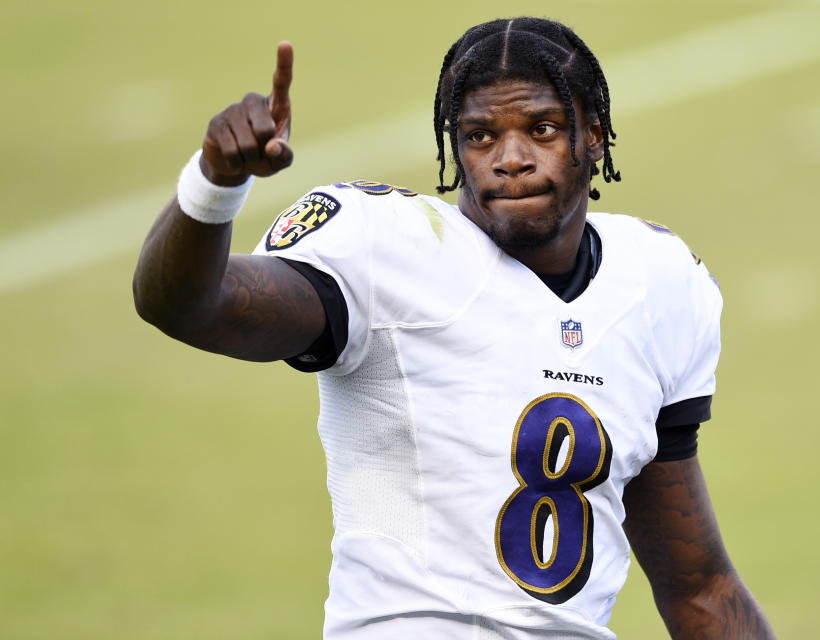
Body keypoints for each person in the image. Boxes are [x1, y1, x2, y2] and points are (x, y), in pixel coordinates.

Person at [133, 17, 775, 640]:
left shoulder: (657, 283)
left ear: (595, 136)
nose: (512, 159)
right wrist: (214, 185)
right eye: (481, 136)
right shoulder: (390, 252)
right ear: (453, 147)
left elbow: (699, 587)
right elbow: (190, 306)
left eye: (543, 129)